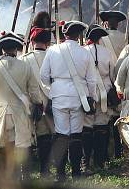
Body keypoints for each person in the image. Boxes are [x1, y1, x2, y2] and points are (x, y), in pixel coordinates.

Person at [0, 32, 43, 176]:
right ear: (16, 49)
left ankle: (0, 182)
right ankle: (23, 182)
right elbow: (34, 93)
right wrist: (38, 104)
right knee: (21, 149)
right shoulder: (25, 67)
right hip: (19, 115)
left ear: (2, 49)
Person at [40, 21, 97, 180]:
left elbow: (44, 76)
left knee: (61, 135)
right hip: (78, 97)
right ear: (78, 35)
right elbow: (91, 80)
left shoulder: (52, 50)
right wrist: (90, 97)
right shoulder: (85, 53)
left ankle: (60, 173)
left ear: (64, 34)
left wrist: (54, 87)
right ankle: (76, 173)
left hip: (59, 96)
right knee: (76, 135)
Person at [19, 26, 53, 178]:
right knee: (45, 137)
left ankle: (26, 172)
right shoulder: (55, 56)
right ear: (48, 42)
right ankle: (44, 170)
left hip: (30, 103)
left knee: (26, 138)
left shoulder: (24, 59)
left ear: (32, 42)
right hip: (51, 101)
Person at [83, 25, 116, 172]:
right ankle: (100, 162)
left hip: (88, 93)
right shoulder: (107, 52)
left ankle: (86, 162)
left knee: (87, 127)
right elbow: (113, 74)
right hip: (104, 92)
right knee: (101, 127)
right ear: (100, 38)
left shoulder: (82, 52)